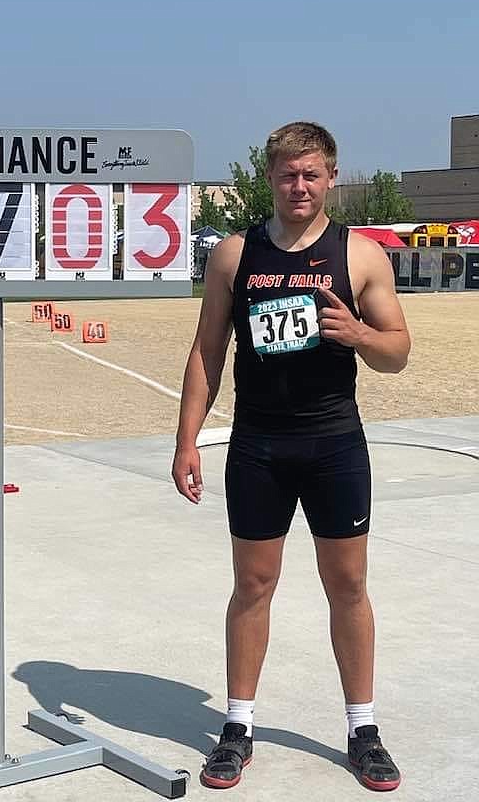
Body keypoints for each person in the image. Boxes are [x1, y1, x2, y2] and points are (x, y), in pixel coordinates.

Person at [172, 122, 410, 791]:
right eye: (286, 174)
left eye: (310, 174)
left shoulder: (360, 256)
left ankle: (363, 728)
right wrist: (187, 439)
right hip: (259, 445)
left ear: (331, 176)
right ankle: (238, 725)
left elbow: (398, 352)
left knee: (349, 586)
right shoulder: (233, 256)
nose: (298, 186)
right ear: (270, 178)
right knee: (252, 585)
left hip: (334, 443)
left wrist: (359, 332)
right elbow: (206, 351)